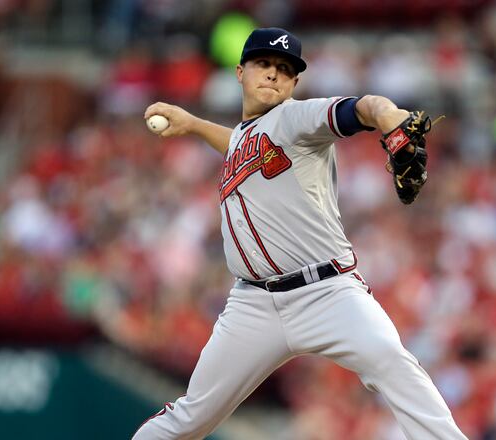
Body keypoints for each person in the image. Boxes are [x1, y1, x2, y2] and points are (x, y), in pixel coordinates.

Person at [133, 27, 466, 440]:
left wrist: (390, 119)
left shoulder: (297, 117)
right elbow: (240, 143)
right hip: (252, 306)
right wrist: (195, 125)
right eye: (263, 64)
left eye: (284, 69)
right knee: (190, 418)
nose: (273, 74)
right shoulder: (246, 137)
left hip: (327, 292)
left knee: (392, 363)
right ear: (240, 72)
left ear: (295, 83)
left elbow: (362, 107)